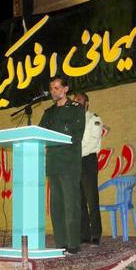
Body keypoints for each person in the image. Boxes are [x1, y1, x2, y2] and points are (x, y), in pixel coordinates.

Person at [39, 76, 85, 255]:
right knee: (57, 206)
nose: (53, 91)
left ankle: (73, 243)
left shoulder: (76, 109)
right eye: (51, 88)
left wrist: (55, 135)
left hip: (69, 163)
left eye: (57, 88)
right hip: (53, 164)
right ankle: (61, 242)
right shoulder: (48, 113)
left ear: (66, 89)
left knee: (71, 204)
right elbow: (40, 133)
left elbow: (76, 134)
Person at [74, 92, 103, 246]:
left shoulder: (94, 119)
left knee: (92, 199)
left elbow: (93, 142)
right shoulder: (72, 121)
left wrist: (75, 151)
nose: (75, 102)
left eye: (79, 100)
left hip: (88, 160)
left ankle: (95, 234)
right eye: (74, 100)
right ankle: (84, 234)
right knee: (80, 200)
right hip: (75, 162)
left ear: (86, 103)